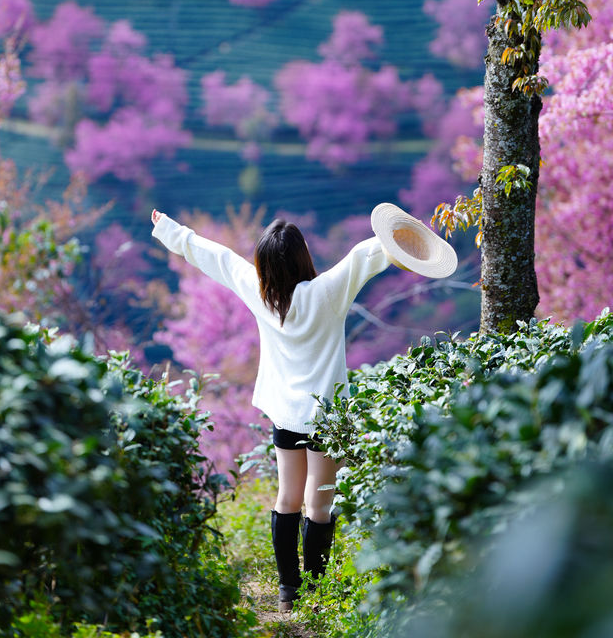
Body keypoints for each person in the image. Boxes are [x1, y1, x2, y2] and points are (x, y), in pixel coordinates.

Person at [150, 203, 457, 612]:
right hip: (325, 414)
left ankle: (288, 591)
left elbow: (216, 257)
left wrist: (170, 230)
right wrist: (415, 235)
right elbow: (370, 253)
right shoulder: (328, 292)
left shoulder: (258, 292)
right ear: (302, 257)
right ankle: (317, 589)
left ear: (264, 265)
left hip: (284, 413)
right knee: (320, 503)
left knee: (287, 497)